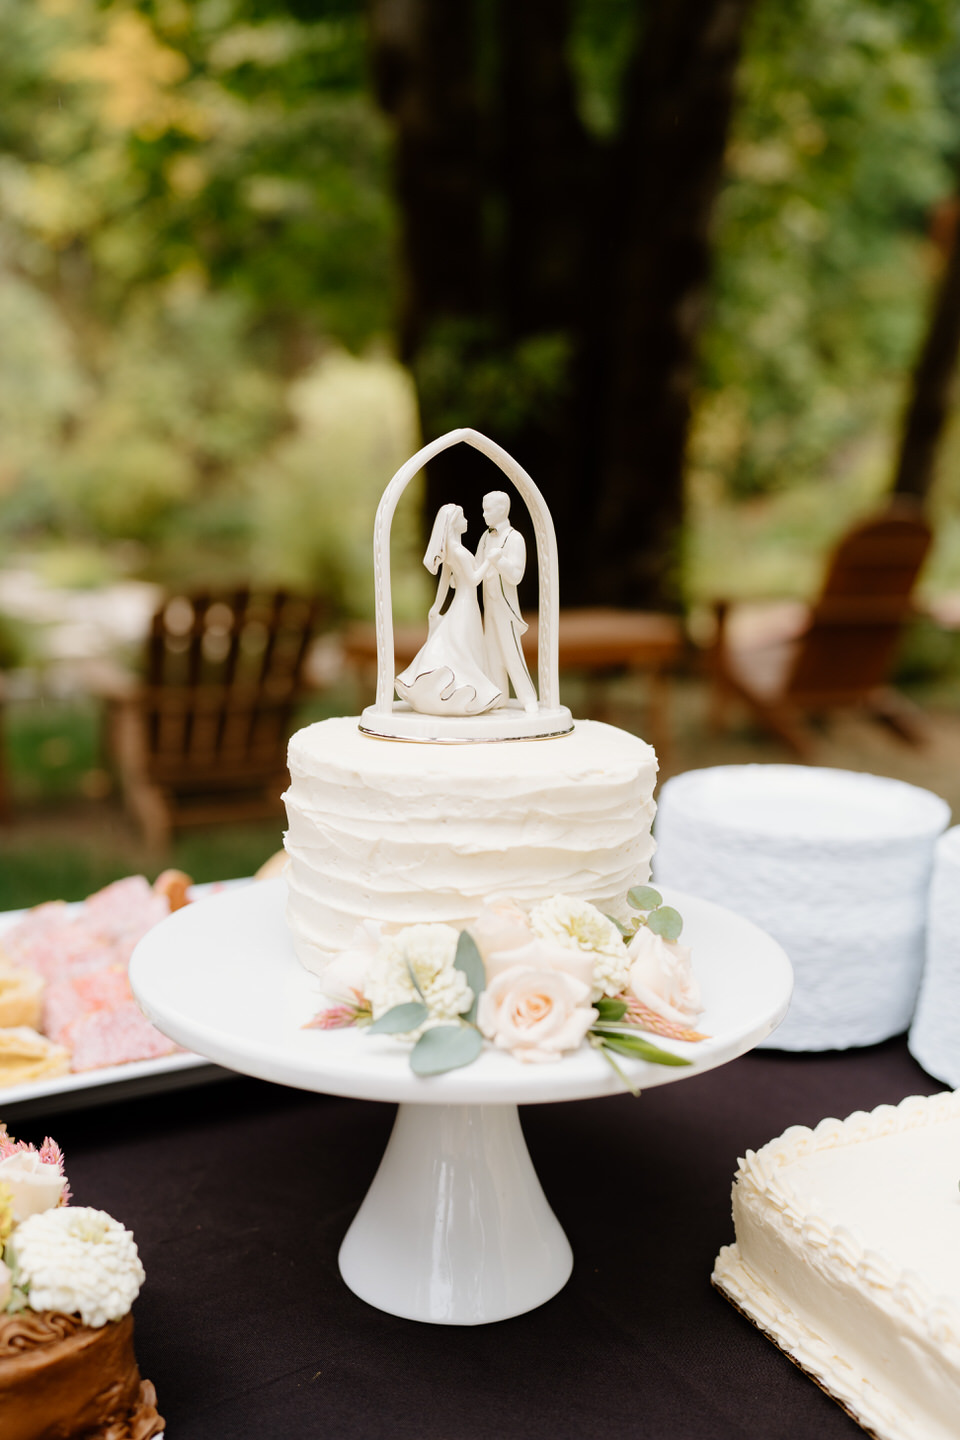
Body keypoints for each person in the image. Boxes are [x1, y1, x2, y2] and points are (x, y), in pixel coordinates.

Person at [395, 503, 503, 716]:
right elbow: (473, 580)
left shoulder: (450, 551)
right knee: (464, 648)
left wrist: (436, 606)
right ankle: (469, 691)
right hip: (466, 604)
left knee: (458, 645)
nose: (467, 521)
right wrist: (490, 561)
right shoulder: (459, 552)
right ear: (453, 523)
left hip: (461, 604)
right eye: (462, 518)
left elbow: (444, 582)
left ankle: (460, 690)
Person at [475, 491, 538, 713]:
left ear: (502, 510)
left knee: (511, 651)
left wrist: (499, 560)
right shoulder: (485, 537)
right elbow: (476, 569)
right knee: (491, 651)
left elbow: (516, 575)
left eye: (487, 509)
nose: (483, 514)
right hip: (489, 607)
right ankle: (498, 694)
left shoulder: (515, 539)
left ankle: (528, 698)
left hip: (506, 608)